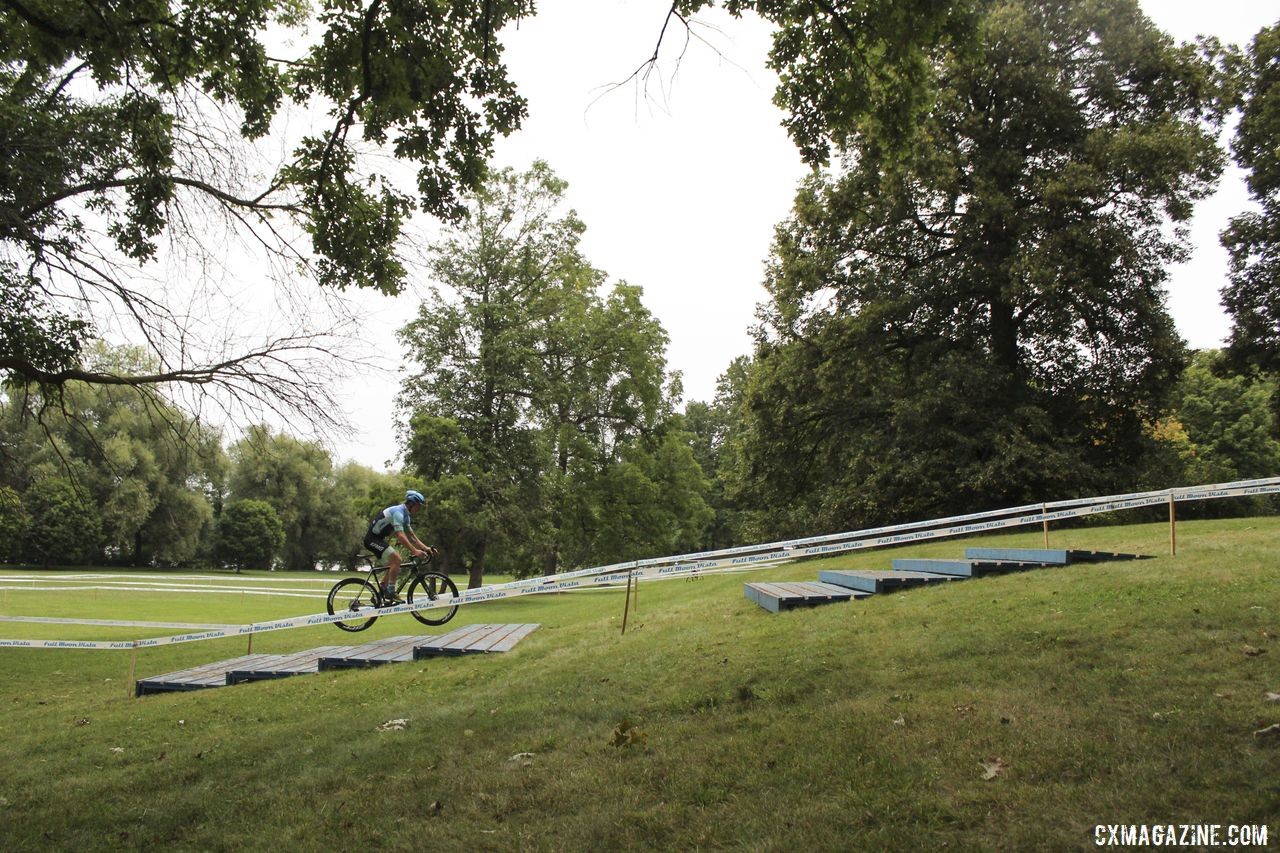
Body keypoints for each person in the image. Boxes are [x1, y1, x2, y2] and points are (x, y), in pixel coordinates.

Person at [364, 490, 437, 605]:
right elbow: (400, 536)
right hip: (371, 539)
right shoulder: (398, 512)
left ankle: (381, 592)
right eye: (418, 506)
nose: (419, 510)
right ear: (411, 504)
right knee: (397, 559)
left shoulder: (406, 516)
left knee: (394, 563)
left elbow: (412, 536)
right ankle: (391, 592)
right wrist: (415, 551)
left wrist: (425, 548)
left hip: (378, 539)